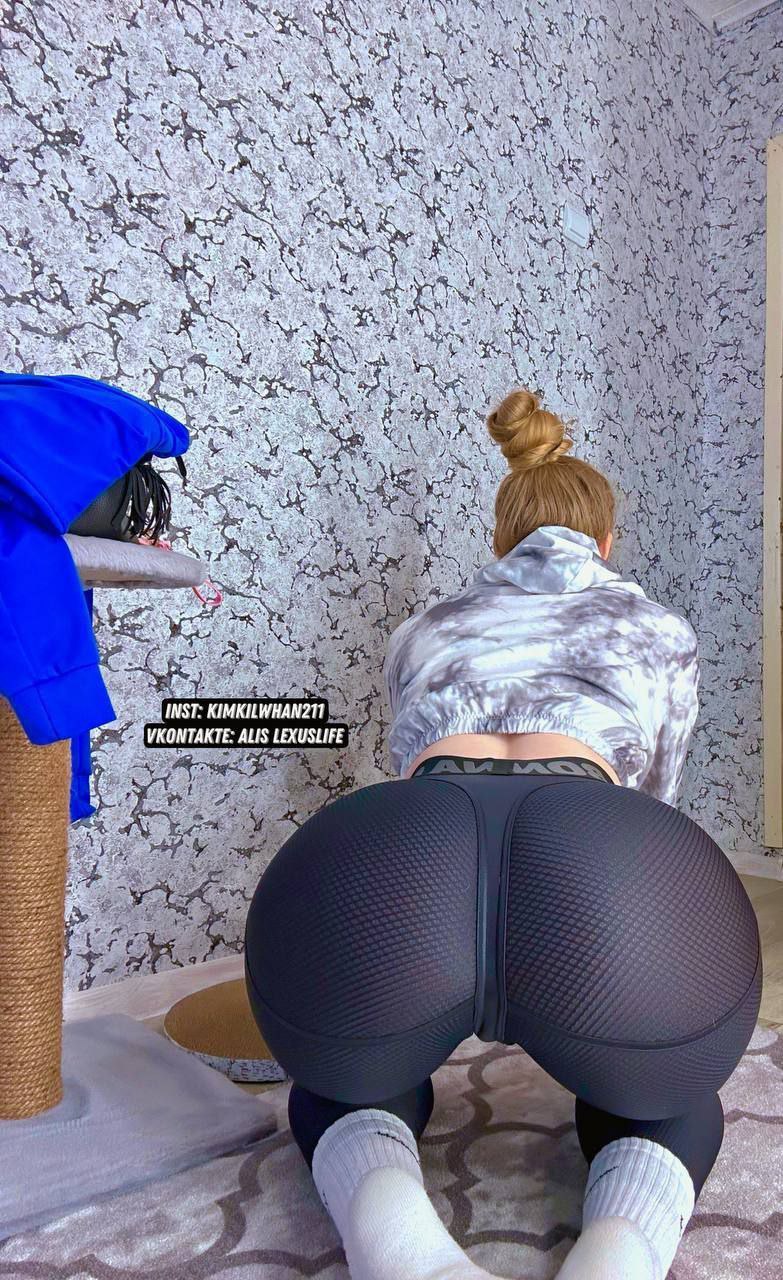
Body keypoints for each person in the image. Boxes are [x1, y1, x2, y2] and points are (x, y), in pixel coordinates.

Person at [245, 388, 762, 1280]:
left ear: (500, 540)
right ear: (605, 542)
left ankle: (405, 1254)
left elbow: (409, 762)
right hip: (593, 840)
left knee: (342, 1081)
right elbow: (654, 801)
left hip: (413, 838)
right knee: (663, 1093)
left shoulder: (421, 629)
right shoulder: (656, 628)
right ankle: (616, 1262)